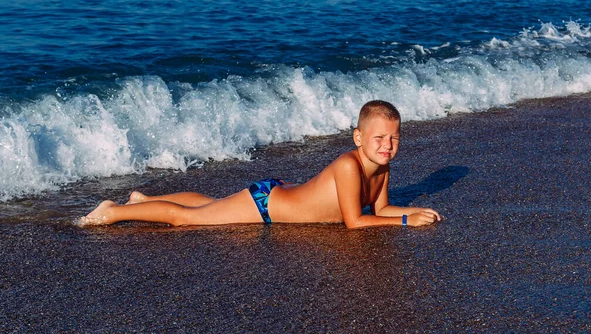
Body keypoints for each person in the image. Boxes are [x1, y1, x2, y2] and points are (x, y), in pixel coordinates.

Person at [79, 100, 441, 229]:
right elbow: (356, 221)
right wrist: (406, 223)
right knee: (186, 219)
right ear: (358, 138)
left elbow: (382, 208)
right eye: (379, 138)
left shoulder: (382, 169)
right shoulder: (349, 166)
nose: (387, 145)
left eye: (393, 138)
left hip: (274, 197)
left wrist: (414, 209)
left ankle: (143, 202)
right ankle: (112, 212)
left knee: (209, 204)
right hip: (266, 206)